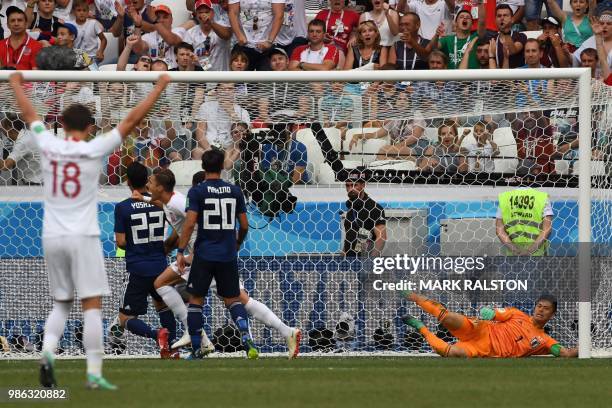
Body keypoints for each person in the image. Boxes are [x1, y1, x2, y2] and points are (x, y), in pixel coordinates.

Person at [8, 71, 170, 389]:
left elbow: (28, 113)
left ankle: (47, 354)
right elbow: (133, 118)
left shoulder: (48, 143)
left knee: (61, 304)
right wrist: (160, 86)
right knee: (91, 305)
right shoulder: (94, 148)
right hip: (83, 235)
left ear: (63, 125)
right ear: (88, 128)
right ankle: (94, 374)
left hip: (52, 235)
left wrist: (15, 83)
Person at [135, 169, 302, 359]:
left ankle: (195, 333)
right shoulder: (169, 201)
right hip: (214, 254)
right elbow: (163, 204)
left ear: (160, 187)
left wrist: (193, 252)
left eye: (150, 182)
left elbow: (197, 221)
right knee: (240, 300)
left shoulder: (178, 202)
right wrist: (143, 199)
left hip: (202, 256)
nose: (147, 185)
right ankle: (286, 331)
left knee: (162, 284)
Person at [176, 149, 258, 359]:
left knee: (196, 301)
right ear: (223, 166)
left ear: (203, 168)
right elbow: (245, 225)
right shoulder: (235, 190)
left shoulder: (197, 192)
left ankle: (196, 350)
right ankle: (248, 341)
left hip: (204, 253)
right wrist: (237, 243)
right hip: (227, 254)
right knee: (232, 300)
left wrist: (180, 251)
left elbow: (190, 223)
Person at [113, 162, 176, 359]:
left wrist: (135, 246)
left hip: (138, 268)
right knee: (163, 307)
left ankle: (156, 334)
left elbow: (121, 242)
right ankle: (171, 349)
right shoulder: (159, 205)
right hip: (160, 266)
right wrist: (165, 247)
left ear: (128, 182)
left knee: (125, 318)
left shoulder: (123, 207)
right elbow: (179, 229)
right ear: (147, 182)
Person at [402, 293, 578, 357]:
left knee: (451, 353)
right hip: (480, 328)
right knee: (447, 317)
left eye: (546, 309)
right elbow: (495, 313)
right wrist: (489, 312)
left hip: (483, 350)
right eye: (539, 306)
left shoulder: (544, 341)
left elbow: (566, 354)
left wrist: (584, 346)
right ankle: (411, 295)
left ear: (552, 314)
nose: (541, 310)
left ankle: (421, 328)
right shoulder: (517, 314)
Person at [193, 83, 250, 158]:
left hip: (231, 149)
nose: (226, 91)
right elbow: (200, 135)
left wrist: (231, 112)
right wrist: (210, 152)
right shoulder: (205, 107)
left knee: (237, 153)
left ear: (234, 92)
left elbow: (243, 136)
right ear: (217, 91)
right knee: (197, 152)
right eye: (222, 89)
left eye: (230, 89)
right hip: (209, 147)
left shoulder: (243, 112)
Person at [227, 0, 284, 70]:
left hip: (267, 45)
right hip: (243, 44)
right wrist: (239, 36)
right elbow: (233, 13)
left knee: (266, 79)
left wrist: (269, 41)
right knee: (239, 79)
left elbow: (279, 15)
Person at [496, 185, 553, 255]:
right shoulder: (542, 197)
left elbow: (499, 231)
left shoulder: (504, 197)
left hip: (513, 256)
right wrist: (529, 251)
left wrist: (516, 251)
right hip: (537, 255)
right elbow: (547, 229)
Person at [342, 168, 387, 257]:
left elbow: (381, 238)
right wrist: (342, 258)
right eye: (348, 186)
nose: (351, 189)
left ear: (363, 185)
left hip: (364, 261)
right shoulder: (352, 207)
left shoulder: (374, 208)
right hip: (349, 262)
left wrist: (371, 262)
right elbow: (349, 237)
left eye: (355, 185)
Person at [132, 5, 186, 69]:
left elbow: (171, 40)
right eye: (158, 17)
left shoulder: (179, 31)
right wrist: (138, 26)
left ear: (172, 20)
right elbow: (137, 49)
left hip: (174, 73)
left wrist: (155, 21)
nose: (161, 20)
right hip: (153, 74)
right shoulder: (148, 36)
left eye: (165, 17)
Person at [185, 0, 231, 71]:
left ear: (213, 13)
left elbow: (226, 35)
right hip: (202, 78)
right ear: (196, 15)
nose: (204, 15)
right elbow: (187, 56)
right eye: (200, 12)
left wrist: (210, 22)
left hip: (222, 78)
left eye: (207, 12)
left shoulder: (222, 24)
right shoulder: (191, 33)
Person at [478, 3, 527, 68]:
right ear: (495, 20)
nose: (502, 18)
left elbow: (512, 51)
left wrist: (506, 31)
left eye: (505, 15)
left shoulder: (521, 36)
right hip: (497, 76)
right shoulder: (492, 40)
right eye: (499, 16)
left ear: (512, 19)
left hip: (517, 76)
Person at [0, 113, 42, 185]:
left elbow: (5, 166)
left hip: (35, 183)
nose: (2, 132)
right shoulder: (27, 134)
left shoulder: (23, 142)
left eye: (2, 129)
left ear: (9, 129)